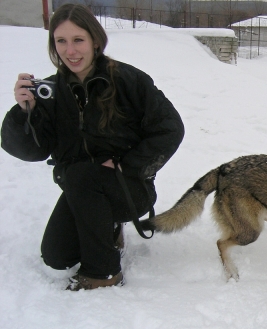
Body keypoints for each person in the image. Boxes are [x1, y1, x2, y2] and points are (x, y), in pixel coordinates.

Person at [1, 4, 185, 290]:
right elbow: (32, 151)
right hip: (81, 190)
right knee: (56, 257)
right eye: (61, 41)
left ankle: (103, 272)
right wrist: (25, 112)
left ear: (95, 41)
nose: (70, 51)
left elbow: (170, 128)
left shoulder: (128, 80)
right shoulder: (52, 91)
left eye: (78, 40)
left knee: (80, 175)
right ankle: (107, 229)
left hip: (128, 187)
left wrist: (130, 164)